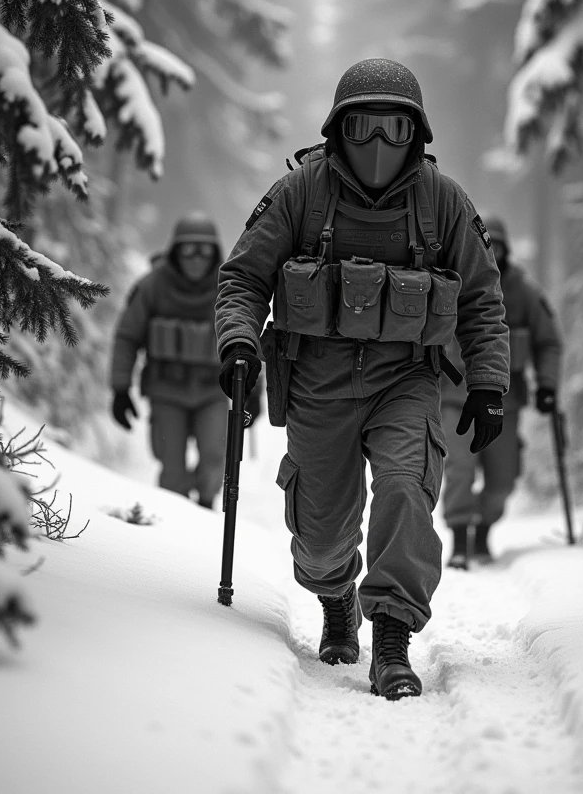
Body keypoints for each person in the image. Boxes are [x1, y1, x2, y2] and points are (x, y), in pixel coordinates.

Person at [214, 58, 509, 700]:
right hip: (318, 380)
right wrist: (238, 342)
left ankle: (393, 641)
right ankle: (336, 594)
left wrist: (488, 382)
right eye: (365, 128)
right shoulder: (300, 193)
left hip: (405, 380)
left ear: (417, 134)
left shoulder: (443, 201)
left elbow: (483, 299)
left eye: (395, 131)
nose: (379, 145)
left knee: (407, 488)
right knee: (319, 542)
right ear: (339, 128)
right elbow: (242, 277)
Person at [110, 213, 260, 508]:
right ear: (175, 250)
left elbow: (248, 340)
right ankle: (173, 524)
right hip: (167, 391)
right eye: (188, 249)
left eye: (204, 250)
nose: (196, 258)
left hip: (213, 392)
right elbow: (127, 337)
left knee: (215, 461)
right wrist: (119, 388)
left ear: (215, 251)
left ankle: (204, 512)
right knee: (172, 468)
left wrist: (254, 392)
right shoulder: (152, 286)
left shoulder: (227, 287)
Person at [442, 215, 562, 569]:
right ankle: (460, 538)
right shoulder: (451, 281)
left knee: (503, 480)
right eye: (485, 244)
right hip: (454, 395)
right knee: (459, 466)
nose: (491, 252)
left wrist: (548, 386)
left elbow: (548, 342)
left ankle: (483, 530)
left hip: (504, 400)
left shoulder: (525, 292)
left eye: (498, 245)